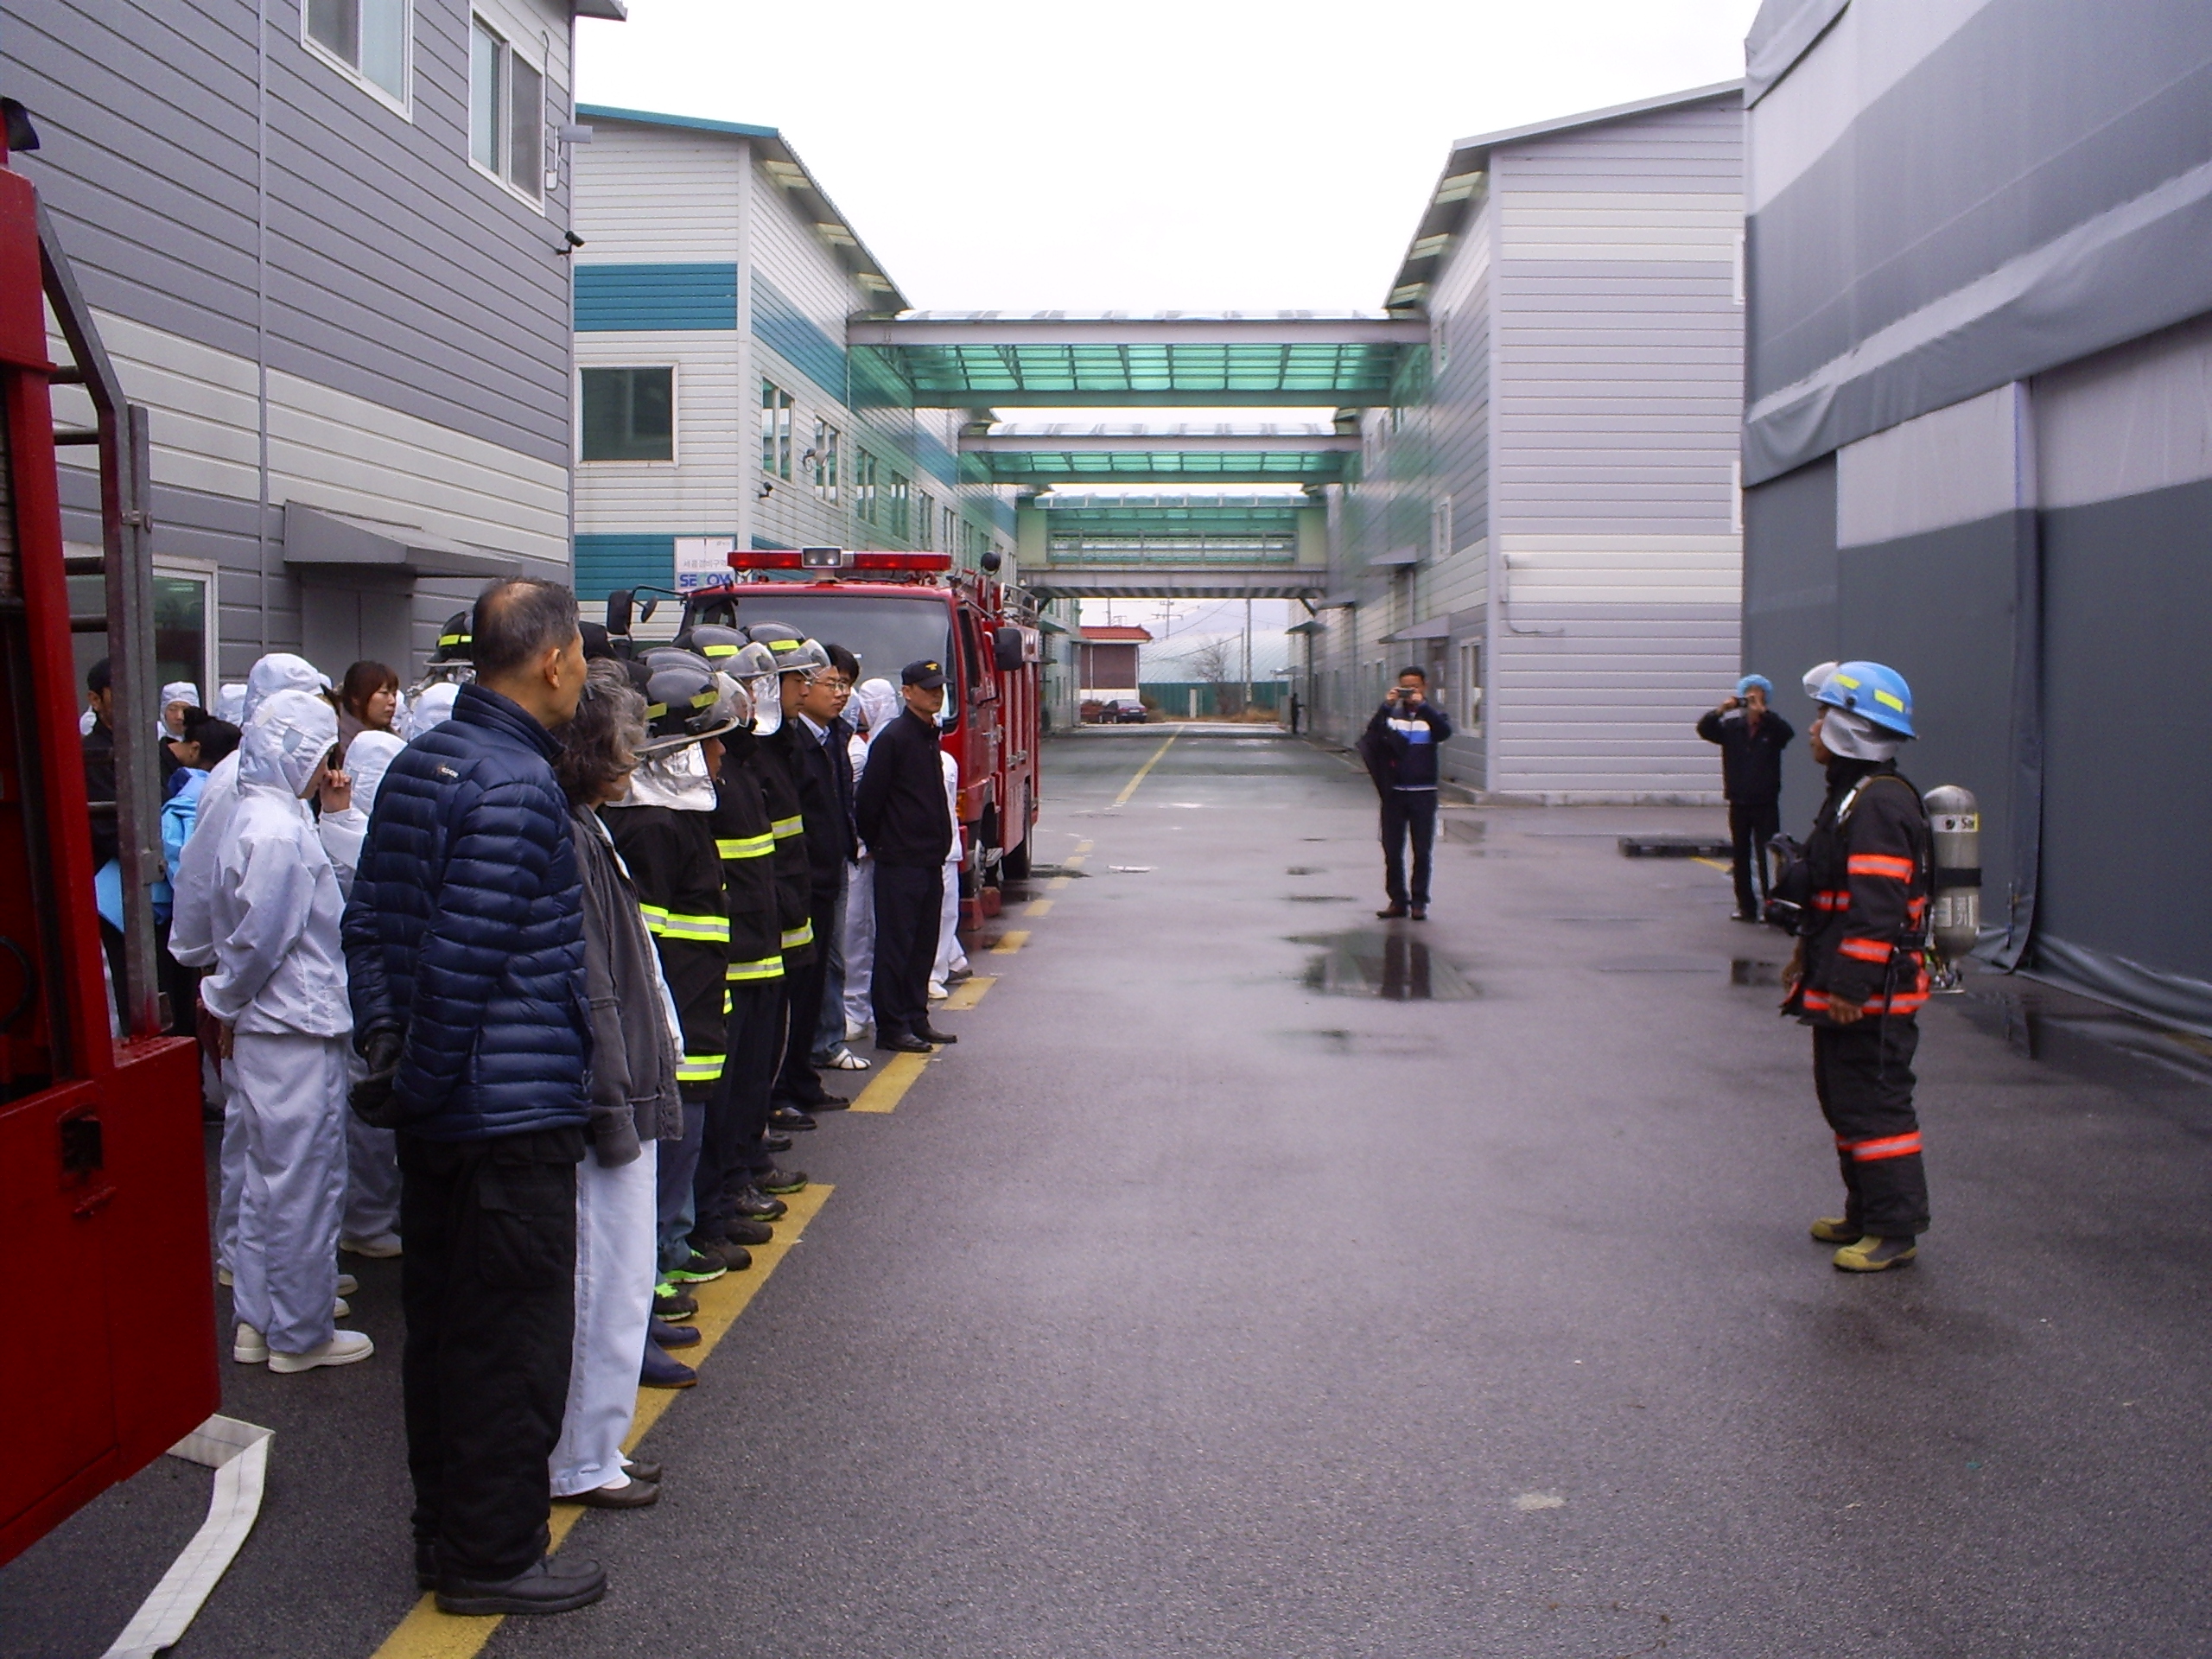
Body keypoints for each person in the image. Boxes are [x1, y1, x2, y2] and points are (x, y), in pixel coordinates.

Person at [341, 576, 604, 1617]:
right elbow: (463, 964)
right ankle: (492, 1557)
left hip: (444, 1113)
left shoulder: (422, 761)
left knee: (446, 1338)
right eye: (579, 655)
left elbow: (368, 924)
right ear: (551, 660)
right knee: (509, 1348)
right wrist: (419, 1081)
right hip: (506, 1118)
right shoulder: (518, 785)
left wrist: (386, 1048)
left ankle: (443, 1537)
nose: (582, 673)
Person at [200, 690, 372, 1375]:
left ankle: (259, 1319)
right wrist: (225, 1001)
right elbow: (262, 940)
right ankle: (300, 1334)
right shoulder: (277, 830)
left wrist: (227, 1005)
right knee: (304, 1183)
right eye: (322, 753)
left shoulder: (257, 813)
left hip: (271, 1024)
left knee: (267, 1182)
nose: (327, 768)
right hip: (296, 1024)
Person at [550, 658, 683, 1511]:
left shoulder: (588, 828)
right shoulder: (571, 837)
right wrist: (614, 1101)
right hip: (610, 1096)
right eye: (624, 748)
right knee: (599, 1282)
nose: (634, 763)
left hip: (625, 1084)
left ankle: (598, 1445)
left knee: (621, 1280)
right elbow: (594, 986)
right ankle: (580, 1457)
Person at [600, 648, 746, 1389]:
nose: (721, 758)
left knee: (672, 1171)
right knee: (653, 1184)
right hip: (671, 1039)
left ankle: (647, 1298)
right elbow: (646, 954)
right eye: (711, 744)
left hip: (693, 1025)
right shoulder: (653, 828)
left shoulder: (675, 820)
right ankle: (642, 1302)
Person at [1780, 661, 1934, 1274]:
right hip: (1845, 981)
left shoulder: (1878, 803)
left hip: (1871, 992)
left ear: (1852, 726)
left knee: (1875, 1105)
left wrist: (1850, 984)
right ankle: (1865, 1212)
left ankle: (1895, 1230)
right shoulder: (1851, 795)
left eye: (1824, 713)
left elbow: (1878, 905)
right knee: (1844, 1101)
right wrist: (1804, 956)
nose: (1813, 726)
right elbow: (1831, 895)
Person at [319, 729, 407, 1260]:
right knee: (366, 1118)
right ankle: (366, 1219)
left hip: (354, 992)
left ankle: (371, 1213)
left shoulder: (341, 828)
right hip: (355, 995)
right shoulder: (352, 838)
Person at [765, 632, 856, 1120]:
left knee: (815, 983)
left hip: (823, 877)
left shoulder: (827, 737)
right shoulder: (788, 741)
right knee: (793, 992)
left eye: (844, 685)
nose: (838, 693)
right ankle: (780, 1091)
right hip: (800, 884)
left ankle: (801, 1078)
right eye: (827, 683)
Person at [855, 660, 958, 1054]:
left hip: (930, 859)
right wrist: (885, 843)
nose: (936, 694)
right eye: (927, 688)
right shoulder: (894, 738)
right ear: (907, 692)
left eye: (939, 688)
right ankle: (892, 1025)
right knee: (896, 947)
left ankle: (917, 1017)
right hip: (900, 861)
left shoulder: (929, 735)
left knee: (922, 945)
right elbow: (869, 802)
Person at [1358, 666, 1453, 920]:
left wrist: (1423, 706)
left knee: (1422, 850)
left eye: (1415, 686)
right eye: (1405, 687)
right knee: (1392, 849)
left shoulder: (1433, 714)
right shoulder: (1393, 715)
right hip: (1394, 792)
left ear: (1424, 687)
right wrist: (1386, 706)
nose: (1410, 692)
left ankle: (1419, 901)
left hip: (1423, 792)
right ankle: (1398, 900)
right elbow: (1372, 734)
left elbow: (1444, 733)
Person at [1697, 674, 1795, 921]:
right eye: (1748, 692)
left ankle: (1771, 903)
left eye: (1757, 692)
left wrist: (1764, 714)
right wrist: (1721, 710)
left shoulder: (1772, 728)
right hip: (1739, 800)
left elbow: (1787, 734)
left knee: (1768, 855)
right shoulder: (1733, 728)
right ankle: (1746, 906)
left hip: (1765, 801)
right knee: (1741, 855)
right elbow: (1705, 729)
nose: (1752, 697)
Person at [840, 677, 901, 1039]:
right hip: (852, 852)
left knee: (857, 933)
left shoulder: (861, 752)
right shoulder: (860, 746)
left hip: (860, 853)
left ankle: (856, 1008)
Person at [337, 660, 400, 756]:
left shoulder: (394, 740)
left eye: (394, 694)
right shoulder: (338, 745)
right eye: (384, 693)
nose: (393, 701)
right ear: (356, 697)